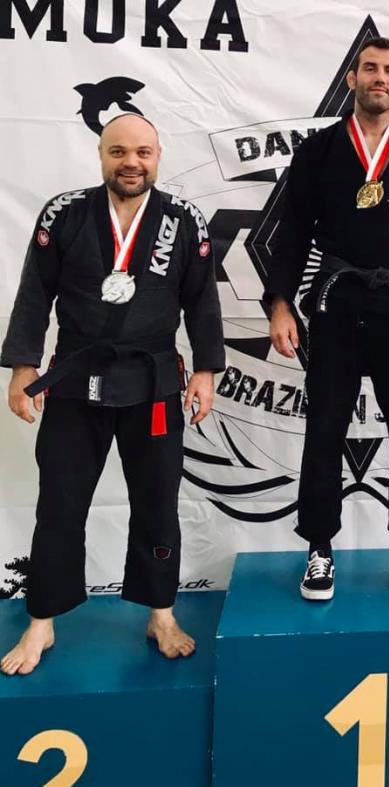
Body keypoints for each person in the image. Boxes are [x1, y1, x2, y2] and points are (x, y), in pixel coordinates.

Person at [0, 114, 225, 675]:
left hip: (153, 383)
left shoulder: (183, 219)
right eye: (119, 151)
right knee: (60, 503)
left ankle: (161, 613)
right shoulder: (65, 213)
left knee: (157, 504)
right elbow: (35, 292)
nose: (131, 162)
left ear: (158, 156)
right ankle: (42, 620)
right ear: (101, 154)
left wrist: (205, 370)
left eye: (143, 152)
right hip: (76, 379)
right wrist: (23, 366)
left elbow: (201, 299)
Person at [264, 37, 389, 601]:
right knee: (324, 428)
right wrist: (280, 304)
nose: (380, 77)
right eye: (371, 68)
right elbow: (291, 233)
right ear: (351, 79)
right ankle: (319, 548)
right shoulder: (319, 150)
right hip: (335, 304)